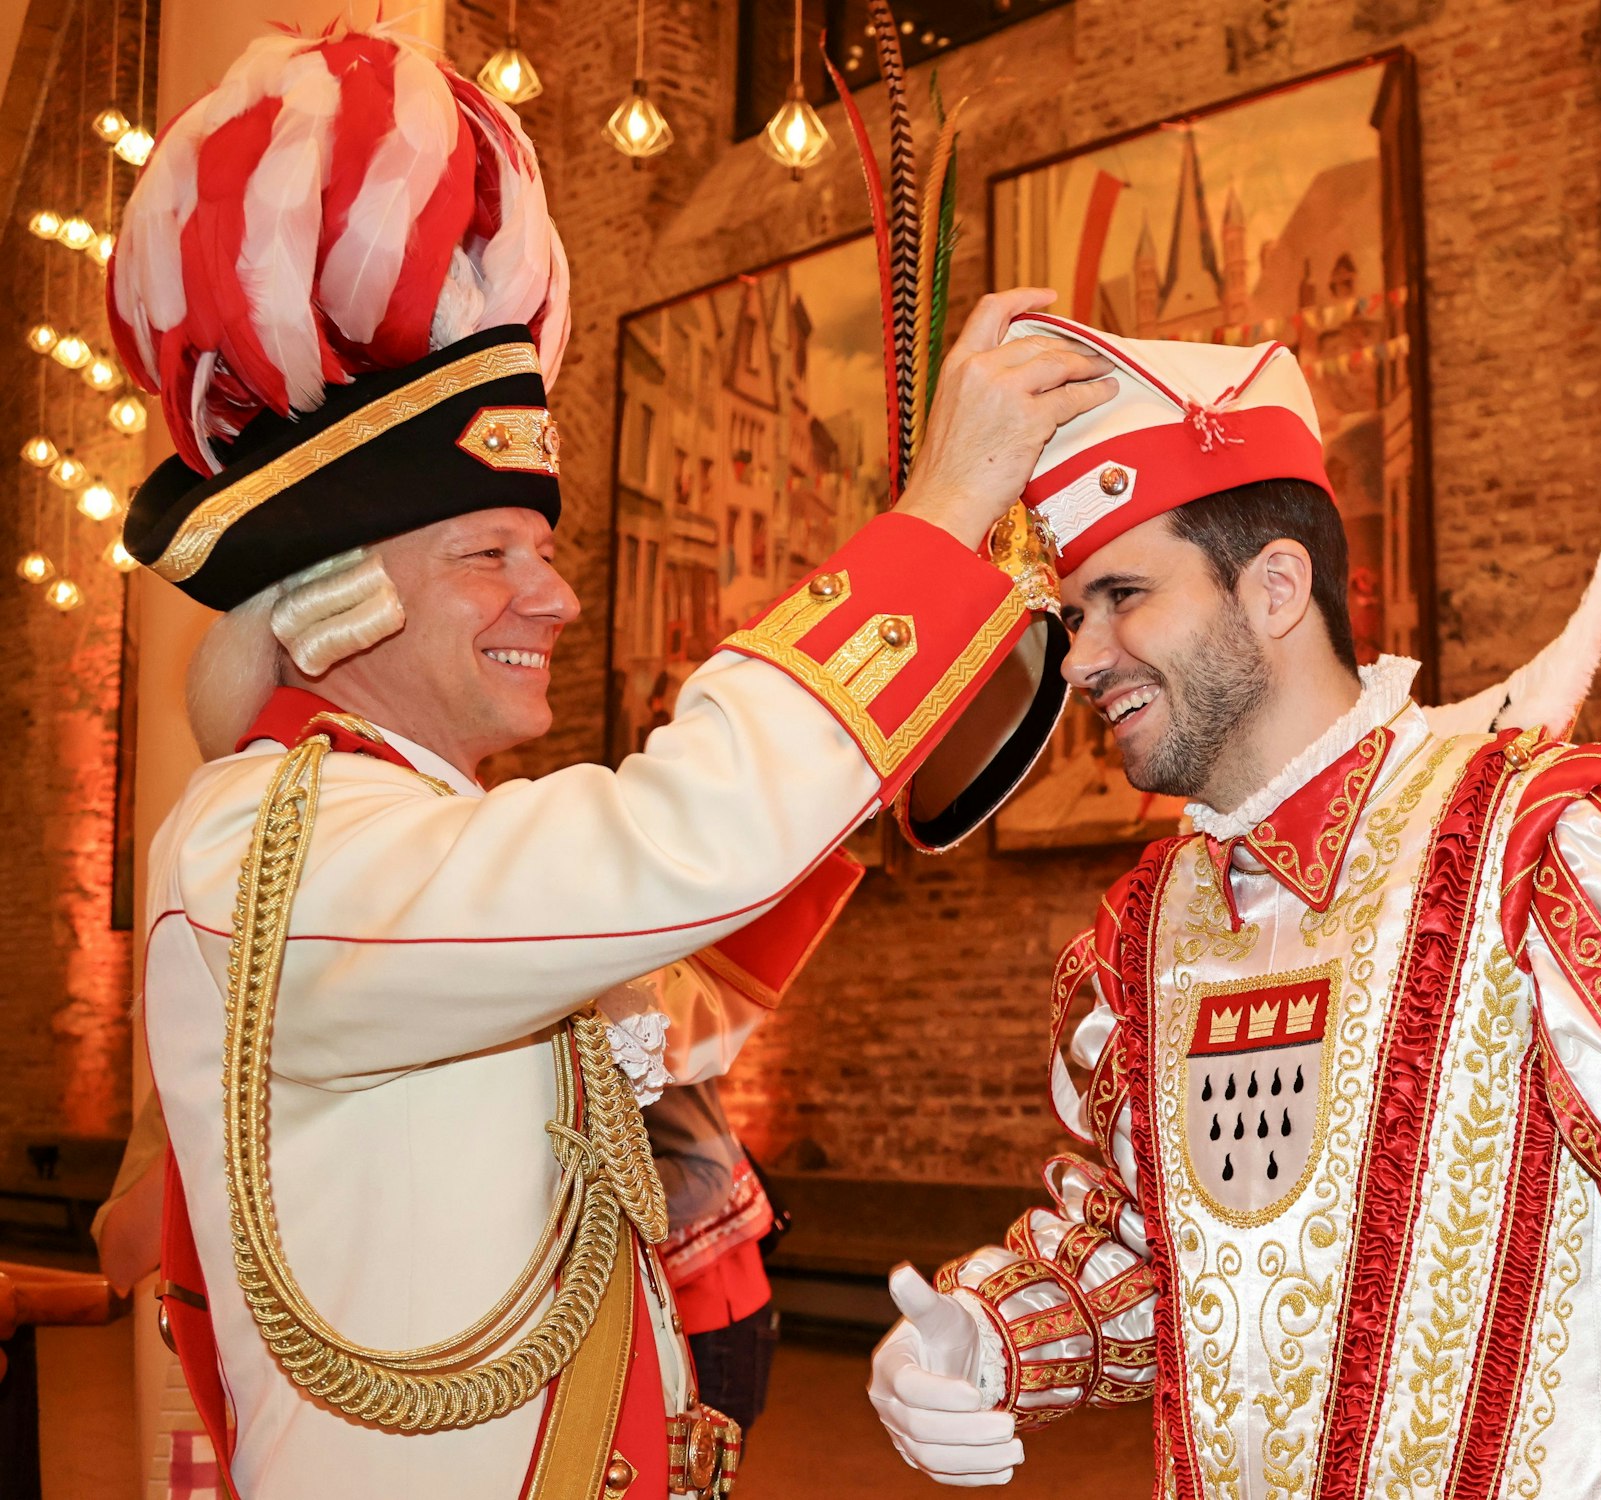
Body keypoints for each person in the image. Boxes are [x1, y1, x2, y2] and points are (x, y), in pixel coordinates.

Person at [115, 26, 1108, 1500]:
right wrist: (940, 513)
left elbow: (675, 995)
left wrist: (866, 772)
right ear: (335, 598)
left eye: (551, 549)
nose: (557, 597)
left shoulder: (411, 841)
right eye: (493, 552)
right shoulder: (263, 844)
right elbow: (663, 853)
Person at [867, 314, 1601, 1500]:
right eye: (1071, 615)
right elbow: (1158, 1259)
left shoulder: (1546, 848)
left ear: (1274, 585)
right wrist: (983, 1336)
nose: (1080, 657)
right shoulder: (1136, 939)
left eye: (1120, 594)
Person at [647, 1076, 783, 1441]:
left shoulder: (641, 1035)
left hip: (709, 1316)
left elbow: (707, 1176)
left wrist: (593, 1173)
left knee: (696, 1483)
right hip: (690, 1312)